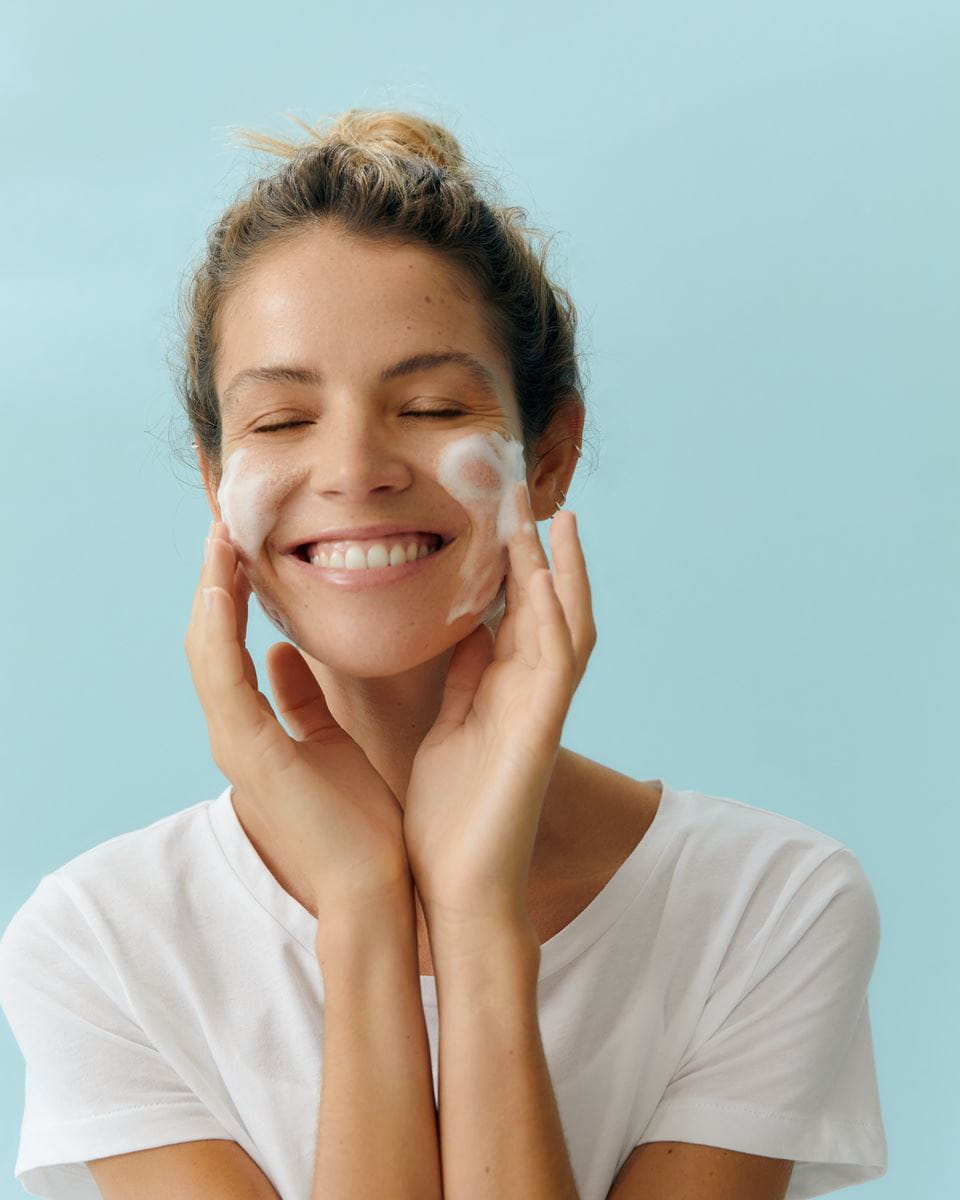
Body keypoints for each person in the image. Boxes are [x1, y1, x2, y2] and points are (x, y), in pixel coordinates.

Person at [0, 108, 887, 1200]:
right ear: (213, 481)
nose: (355, 468)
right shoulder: (101, 944)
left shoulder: (768, 907)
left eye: (427, 406)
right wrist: (366, 913)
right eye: (281, 422)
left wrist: (476, 919)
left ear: (549, 456)